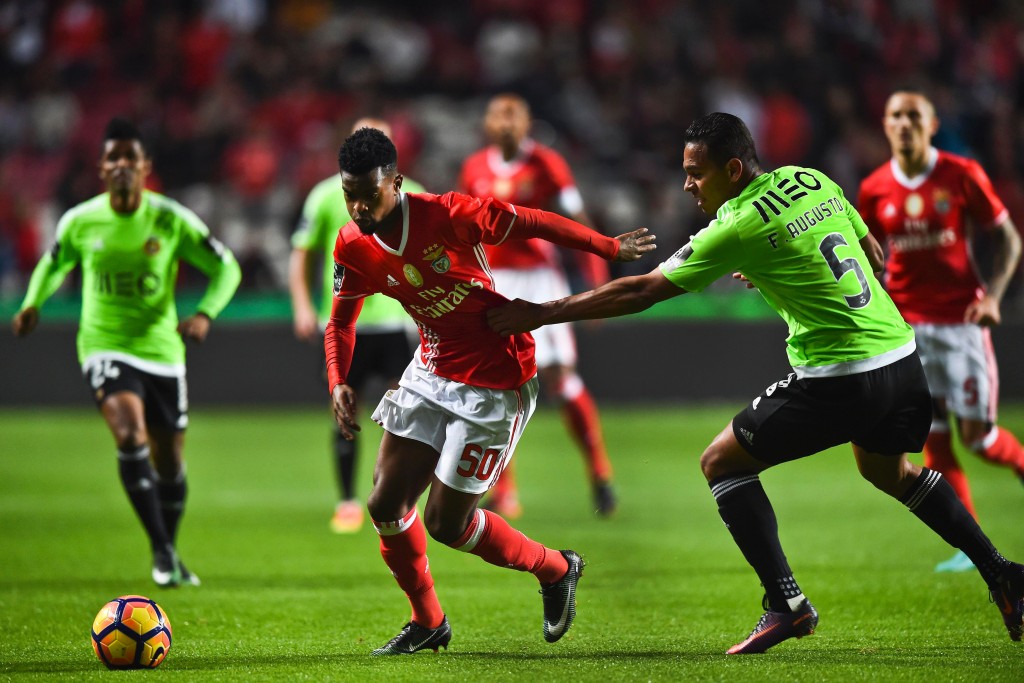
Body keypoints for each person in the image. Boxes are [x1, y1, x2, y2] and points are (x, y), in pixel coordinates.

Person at [487, 112, 1024, 653]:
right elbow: (873, 255)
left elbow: (640, 292)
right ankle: (1002, 572)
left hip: (841, 375)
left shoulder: (738, 223)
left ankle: (786, 604)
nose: (687, 185)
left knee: (721, 462)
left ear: (734, 168)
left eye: (696, 173)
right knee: (893, 473)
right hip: (903, 362)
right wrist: (782, 260)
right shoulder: (812, 178)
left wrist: (540, 312)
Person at [326, 127, 654, 654]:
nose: (359, 208)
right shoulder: (352, 245)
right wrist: (339, 380)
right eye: (350, 196)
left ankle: (555, 568)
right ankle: (428, 622)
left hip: (496, 379)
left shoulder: (450, 214)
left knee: (445, 524)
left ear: (397, 182)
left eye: (370, 194)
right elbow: (340, 320)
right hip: (431, 370)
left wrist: (607, 247)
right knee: (385, 503)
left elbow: (533, 220)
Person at [11, 118, 242, 587]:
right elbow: (52, 265)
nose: (120, 165)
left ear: (145, 167)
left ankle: (169, 549)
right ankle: (160, 550)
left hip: (162, 350)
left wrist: (205, 314)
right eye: (112, 157)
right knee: (130, 434)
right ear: (101, 167)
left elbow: (226, 268)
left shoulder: (169, 218)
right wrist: (33, 301)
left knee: (169, 463)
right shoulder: (80, 220)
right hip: (103, 343)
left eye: (129, 158)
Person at [858, 90, 1024, 573]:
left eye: (914, 116)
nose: (904, 123)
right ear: (885, 126)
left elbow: (1008, 238)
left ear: (931, 125)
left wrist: (993, 295)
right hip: (907, 330)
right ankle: (969, 548)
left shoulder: (961, 174)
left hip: (961, 324)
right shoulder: (874, 188)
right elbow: (860, 253)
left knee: (979, 438)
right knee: (933, 439)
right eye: (895, 116)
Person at [458, 93, 616, 518]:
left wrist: (596, 285)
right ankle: (502, 491)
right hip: (493, 282)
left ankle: (600, 475)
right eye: (497, 114)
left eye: (514, 114)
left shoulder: (546, 164)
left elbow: (577, 221)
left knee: (561, 378)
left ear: (527, 123)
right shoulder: (474, 168)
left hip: (540, 280)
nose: (505, 121)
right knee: (492, 385)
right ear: (487, 123)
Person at [290, 117, 425, 534]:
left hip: (395, 323)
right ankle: (347, 500)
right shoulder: (326, 196)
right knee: (345, 412)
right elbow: (303, 252)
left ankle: (398, 494)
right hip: (349, 321)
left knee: (406, 413)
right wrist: (301, 305)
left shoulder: (414, 193)